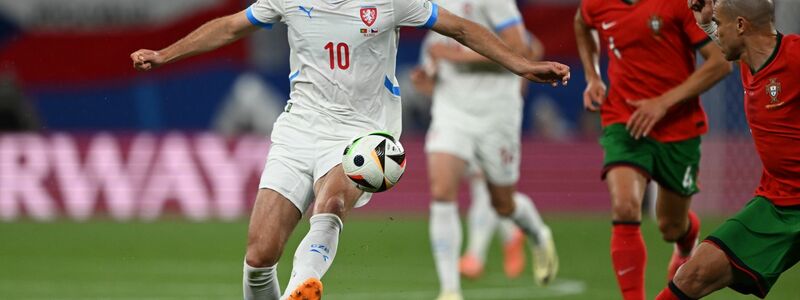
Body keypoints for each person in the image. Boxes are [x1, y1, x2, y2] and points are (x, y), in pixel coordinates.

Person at [130, 0, 570, 299]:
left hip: (365, 132)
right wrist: (166, 54)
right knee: (259, 253)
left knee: (334, 200)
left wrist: (523, 65)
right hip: (299, 127)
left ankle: (303, 285)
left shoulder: (390, 2)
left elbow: (458, 27)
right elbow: (229, 26)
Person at [573, 0, 732, 298]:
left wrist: (662, 103)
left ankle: (686, 240)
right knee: (624, 206)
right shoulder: (597, 4)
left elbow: (719, 63)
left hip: (678, 127)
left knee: (671, 227)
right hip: (624, 120)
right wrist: (592, 75)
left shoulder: (677, 5)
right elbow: (581, 23)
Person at [410, 1, 557, 298]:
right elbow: (435, 54)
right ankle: (450, 291)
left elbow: (521, 49)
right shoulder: (436, 4)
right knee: (441, 191)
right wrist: (429, 76)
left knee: (503, 204)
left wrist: (454, 56)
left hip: (496, 113)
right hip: (451, 110)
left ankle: (538, 233)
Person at [656, 0, 800, 298]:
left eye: (719, 25)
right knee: (691, 275)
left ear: (740, 25)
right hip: (776, 205)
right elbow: (730, 43)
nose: (715, 33)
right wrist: (706, 21)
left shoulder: (795, 56)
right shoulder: (752, 57)